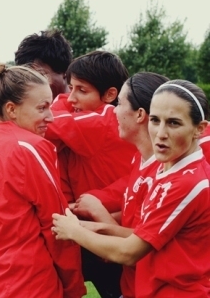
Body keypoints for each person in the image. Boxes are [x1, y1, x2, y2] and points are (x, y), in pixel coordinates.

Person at [53, 79, 210, 298]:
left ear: (199, 129)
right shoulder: (170, 170)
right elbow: (144, 234)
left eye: (174, 123)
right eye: (155, 120)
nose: (160, 133)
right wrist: (86, 225)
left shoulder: (186, 182)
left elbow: (129, 253)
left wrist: (75, 231)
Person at [0, 62, 86, 298]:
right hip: (30, 283)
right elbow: (57, 226)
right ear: (12, 109)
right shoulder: (31, 146)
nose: (51, 117)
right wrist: (73, 285)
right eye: (42, 108)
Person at [45, 50, 136, 298]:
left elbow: (46, 121)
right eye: (71, 86)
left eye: (82, 90)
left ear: (110, 95)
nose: (71, 97)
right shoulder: (85, 117)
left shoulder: (104, 119)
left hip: (111, 224)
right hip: (94, 220)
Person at [71, 72, 169, 298]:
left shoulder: (166, 173)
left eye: (120, 104)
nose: (113, 110)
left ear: (140, 115)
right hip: (133, 287)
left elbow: (140, 248)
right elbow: (134, 220)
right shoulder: (140, 159)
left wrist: (87, 221)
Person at [14, 29, 72, 99]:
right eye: (27, 78)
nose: (33, 84)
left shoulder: (83, 107)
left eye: (41, 75)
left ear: (64, 71)